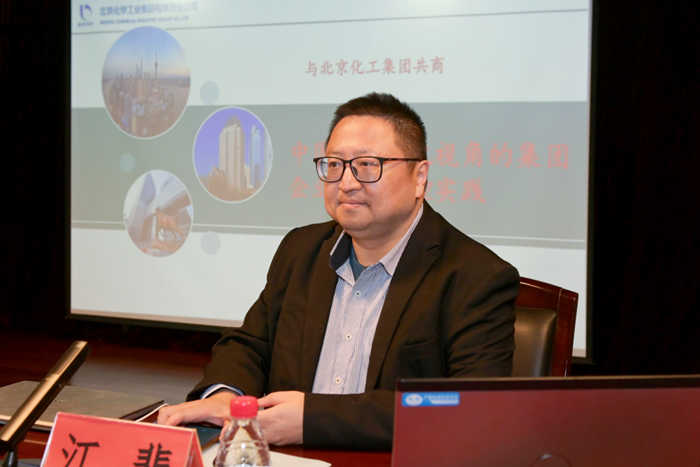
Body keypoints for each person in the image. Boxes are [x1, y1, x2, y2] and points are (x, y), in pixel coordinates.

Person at [158, 93, 519, 449]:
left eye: (368, 164)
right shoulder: (301, 250)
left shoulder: (476, 277)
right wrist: (226, 395)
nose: (346, 182)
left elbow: (468, 407)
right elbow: (251, 345)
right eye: (334, 164)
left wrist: (313, 420)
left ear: (419, 177)